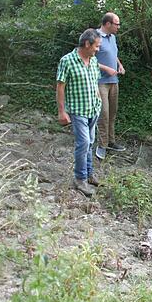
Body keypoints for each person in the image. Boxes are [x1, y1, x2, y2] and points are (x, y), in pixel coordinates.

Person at [56, 28, 102, 197]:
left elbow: (95, 82)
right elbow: (60, 87)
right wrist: (62, 112)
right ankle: (80, 178)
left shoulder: (94, 61)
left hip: (93, 109)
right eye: (96, 46)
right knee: (83, 143)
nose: (98, 49)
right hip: (77, 110)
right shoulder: (67, 61)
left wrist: (99, 100)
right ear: (87, 43)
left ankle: (89, 174)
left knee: (90, 142)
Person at [95, 12, 126, 160]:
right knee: (104, 114)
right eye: (117, 24)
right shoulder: (94, 36)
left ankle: (111, 142)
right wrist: (106, 69)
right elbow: (87, 58)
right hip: (100, 82)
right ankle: (102, 145)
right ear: (108, 24)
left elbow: (114, 54)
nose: (118, 27)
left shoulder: (112, 38)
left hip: (114, 82)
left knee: (112, 113)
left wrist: (120, 65)